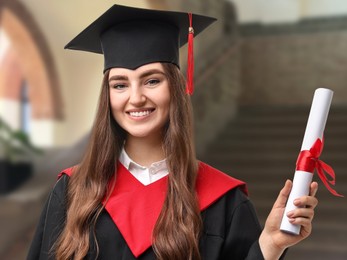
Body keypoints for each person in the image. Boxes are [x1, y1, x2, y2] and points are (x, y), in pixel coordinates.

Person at [27, 4, 318, 260]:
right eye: (120, 84)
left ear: (176, 89)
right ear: (108, 97)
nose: (136, 97)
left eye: (152, 81)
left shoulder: (224, 200)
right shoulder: (71, 191)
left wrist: (271, 243)